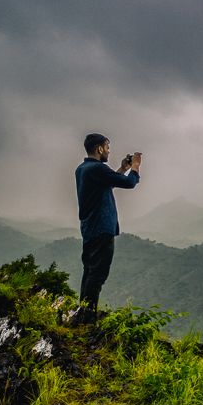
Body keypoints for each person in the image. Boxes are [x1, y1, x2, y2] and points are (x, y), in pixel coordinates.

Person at [75, 133, 142, 318]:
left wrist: (122, 168)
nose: (109, 152)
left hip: (89, 229)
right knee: (98, 274)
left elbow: (106, 184)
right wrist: (135, 166)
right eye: (108, 148)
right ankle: (87, 317)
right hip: (102, 229)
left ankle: (83, 312)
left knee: (89, 271)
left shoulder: (83, 169)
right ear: (99, 149)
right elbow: (129, 183)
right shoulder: (98, 169)